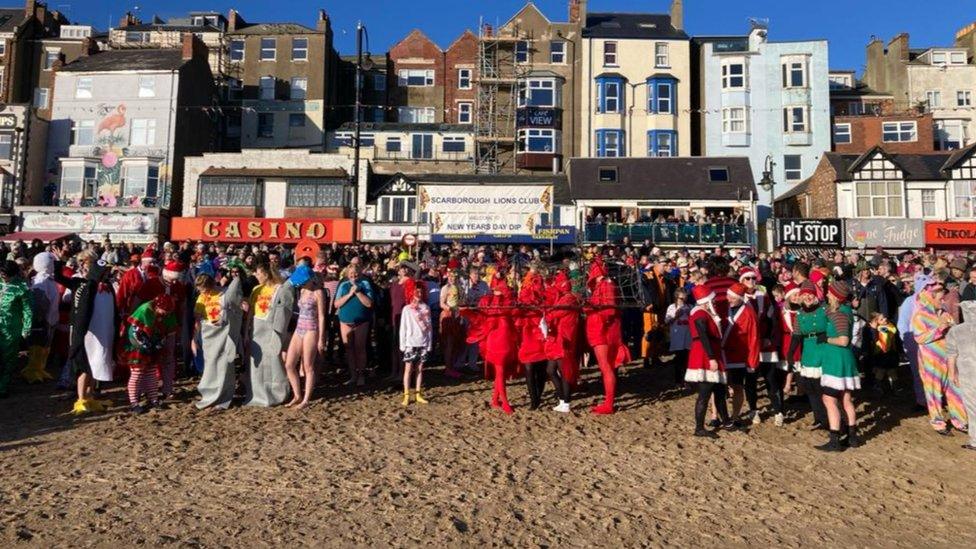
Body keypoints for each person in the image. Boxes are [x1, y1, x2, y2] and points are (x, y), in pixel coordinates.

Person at [912, 277, 968, 435]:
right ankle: (938, 423)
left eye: (942, 295)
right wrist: (939, 330)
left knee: (955, 389)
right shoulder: (920, 316)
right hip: (931, 362)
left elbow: (954, 332)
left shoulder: (945, 313)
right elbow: (919, 337)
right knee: (933, 391)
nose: (942, 298)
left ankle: (960, 421)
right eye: (939, 295)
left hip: (950, 360)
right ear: (929, 296)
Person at [817, 281, 862, 452]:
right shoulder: (844, 311)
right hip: (844, 360)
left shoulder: (839, 314)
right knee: (846, 400)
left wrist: (826, 339)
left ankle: (834, 439)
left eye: (830, 293)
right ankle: (852, 437)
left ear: (836, 296)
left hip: (837, 361)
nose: (827, 295)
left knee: (829, 399)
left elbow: (843, 340)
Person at [585, 257, 631, 415]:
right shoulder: (605, 285)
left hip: (603, 332)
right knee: (607, 368)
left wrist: (593, 310)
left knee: (606, 368)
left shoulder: (605, 285)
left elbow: (609, 310)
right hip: (605, 331)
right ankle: (608, 401)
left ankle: (609, 403)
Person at [244, 262, 294, 407]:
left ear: (266, 274)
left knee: (274, 361)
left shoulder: (280, 289)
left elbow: (284, 311)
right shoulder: (256, 289)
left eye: (259, 273)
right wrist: (247, 331)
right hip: (257, 328)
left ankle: (278, 391)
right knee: (257, 364)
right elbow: (252, 312)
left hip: (271, 328)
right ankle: (257, 392)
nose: (256, 276)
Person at [685, 285, 730, 437]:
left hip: (710, 352)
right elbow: (703, 335)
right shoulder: (700, 314)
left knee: (718, 390)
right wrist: (711, 358)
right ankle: (699, 428)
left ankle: (726, 421)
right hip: (705, 354)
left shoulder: (704, 313)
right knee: (705, 393)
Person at [194, 273, 243, 410]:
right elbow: (198, 319)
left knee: (224, 365)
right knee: (210, 365)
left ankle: (223, 396)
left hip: (223, 334)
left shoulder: (224, 294)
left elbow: (236, 308)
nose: (203, 292)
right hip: (209, 334)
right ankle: (210, 394)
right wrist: (195, 337)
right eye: (200, 290)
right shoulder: (201, 297)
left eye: (205, 289)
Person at [121, 294, 177, 413]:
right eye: (164, 311)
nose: (166, 314)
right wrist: (144, 346)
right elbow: (133, 332)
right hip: (137, 348)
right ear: (157, 307)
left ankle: (153, 399)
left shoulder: (163, 315)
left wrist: (157, 345)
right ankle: (134, 402)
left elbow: (163, 332)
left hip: (152, 346)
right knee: (137, 374)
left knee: (151, 373)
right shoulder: (144, 310)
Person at [283, 265, 326, 409]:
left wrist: (321, 338)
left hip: (311, 329)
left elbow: (321, 316)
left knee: (308, 366)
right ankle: (297, 395)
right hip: (299, 328)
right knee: (289, 364)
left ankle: (306, 398)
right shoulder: (301, 291)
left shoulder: (318, 293)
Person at [544, 270, 581, 413]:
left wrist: (547, 314)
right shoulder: (566, 297)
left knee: (563, 370)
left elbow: (557, 312)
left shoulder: (568, 299)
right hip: (559, 337)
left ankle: (566, 401)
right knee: (551, 370)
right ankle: (562, 399)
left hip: (564, 338)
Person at [723, 283, 759, 424]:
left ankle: (735, 415)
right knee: (720, 386)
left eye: (732, 297)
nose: (729, 299)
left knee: (738, 386)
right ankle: (717, 415)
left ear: (740, 297)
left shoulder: (749, 313)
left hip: (739, 356)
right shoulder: (722, 308)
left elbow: (754, 339)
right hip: (723, 354)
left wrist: (752, 362)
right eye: (728, 296)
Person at [795, 284, 829, 430]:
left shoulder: (825, 309)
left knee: (821, 386)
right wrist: (791, 354)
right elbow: (796, 334)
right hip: (808, 348)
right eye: (805, 294)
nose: (808, 297)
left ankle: (828, 418)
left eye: (811, 294)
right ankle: (818, 417)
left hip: (822, 348)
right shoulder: (800, 313)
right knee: (809, 387)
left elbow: (833, 326)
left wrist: (827, 335)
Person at [335, 263, 374, 387]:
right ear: (347, 274)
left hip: (361, 321)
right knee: (349, 348)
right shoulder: (343, 285)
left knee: (360, 347)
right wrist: (349, 294)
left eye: (356, 273)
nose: (353, 276)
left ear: (360, 273)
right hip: (345, 321)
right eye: (351, 274)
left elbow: (369, 304)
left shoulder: (366, 284)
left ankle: (361, 375)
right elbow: (336, 304)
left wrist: (358, 292)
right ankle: (353, 375)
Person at [946, 300, 976, 451]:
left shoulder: (956, 331)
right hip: (967, 372)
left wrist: (952, 374)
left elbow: (951, 354)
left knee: (972, 407)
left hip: (968, 373)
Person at [0, 260, 33, 398]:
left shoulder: (21, 288)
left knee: (8, 358)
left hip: (11, 328)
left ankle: (2, 387)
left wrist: (26, 328)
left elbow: (27, 310)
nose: (2, 276)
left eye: (5, 274)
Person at [518, 262, 548, 410]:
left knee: (539, 366)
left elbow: (544, 300)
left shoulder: (540, 283)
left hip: (537, 324)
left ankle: (536, 398)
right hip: (529, 326)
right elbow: (523, 299)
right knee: (530, 366)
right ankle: (534, 399)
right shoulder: (527, 283)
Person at [399, 284, 433, 405]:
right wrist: (403, 344)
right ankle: (407, 394)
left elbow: (429, 328)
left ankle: (418, 393)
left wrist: (429, 343)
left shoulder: (426, 307)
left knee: (420, 369)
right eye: (416, 292)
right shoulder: (407, 309)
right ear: (411, 293)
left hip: (422, 343)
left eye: (420, 292)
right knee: (408, 369)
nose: (419, 294)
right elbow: (403, 327)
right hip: (410, 342)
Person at [867, 312, 899, 395]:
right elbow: (875, 339)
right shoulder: (881, 328)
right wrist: (874, 328)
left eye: (884, 317)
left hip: (890, 353)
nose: (885, 319)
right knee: (880, 372)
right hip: (881, 354)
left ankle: (894, 388)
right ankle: (879, 387)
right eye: (881, 319)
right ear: (877, 322)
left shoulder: (889, 326)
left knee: (892, 372)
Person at [439, 269, 464, 378]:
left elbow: (461, 301)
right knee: (449, 343)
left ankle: (452, 366)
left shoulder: (459, 288)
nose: (452, 278)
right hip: (449, 315)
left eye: (454, 277)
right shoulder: (445, 288)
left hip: (457, 316)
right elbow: (442, 303)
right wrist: (450, 309)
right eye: (450, 276)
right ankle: (448, 368)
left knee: (455, 343)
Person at [664, 287, 691, 386]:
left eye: (685, 298)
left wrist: (690, 315)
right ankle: (678, 381)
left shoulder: (689, 307)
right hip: (677, 338)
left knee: (687, 360)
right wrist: (676, 316)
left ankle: (687, 381)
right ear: (676, 298)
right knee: (679, 360)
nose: (683, 301)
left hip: (688, 338)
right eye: (681, 299)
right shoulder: (671, 307)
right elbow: (667, 321)